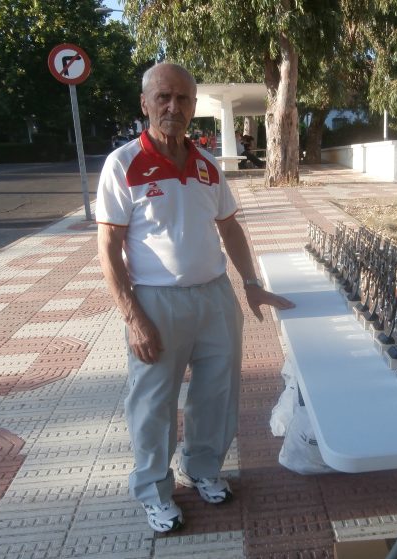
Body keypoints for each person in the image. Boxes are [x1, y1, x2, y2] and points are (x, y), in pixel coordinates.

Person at [96, 62, 295, 534]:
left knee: (216, 394)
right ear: (145, 103)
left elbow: (229, 227)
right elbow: (107, 247)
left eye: (183, 98)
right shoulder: (123, 164)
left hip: (214, 298)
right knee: (153, 403)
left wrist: (250, 282)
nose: (173, 106)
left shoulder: (207, 165)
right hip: (156, 303)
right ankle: (153, 491)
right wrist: (133, 317)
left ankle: (204, 470)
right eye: (163, 97)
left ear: (193, 106)